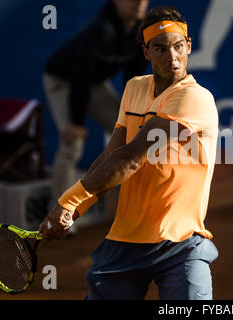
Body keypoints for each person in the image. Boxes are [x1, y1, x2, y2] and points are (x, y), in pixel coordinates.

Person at [40, 5, 219, 300]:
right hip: (125, 241)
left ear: (189, 46)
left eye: (177, 47)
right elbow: (112, 154)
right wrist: (75, 208)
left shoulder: (194, 98)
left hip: (181, 243)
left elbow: (131, 159)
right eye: (160, 49)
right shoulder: (134, 89)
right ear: (146, 52)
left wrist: (69, 199)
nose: (171, 57)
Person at [43, 0, 149, 216]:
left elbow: (133, 78)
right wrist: (76, 123)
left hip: (96, 84)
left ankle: (125, 212)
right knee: (73, 143)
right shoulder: (101, 29)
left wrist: (134, 114)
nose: (138, 2)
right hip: (63, 82)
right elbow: (81, 77)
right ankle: (58, 214)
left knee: (130, 136)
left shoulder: (141, 31)